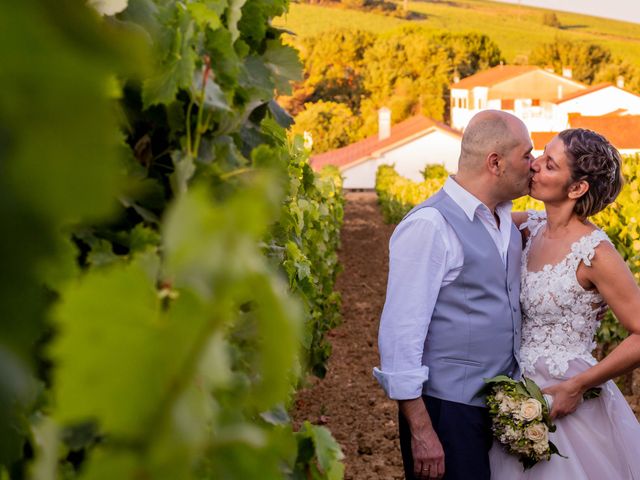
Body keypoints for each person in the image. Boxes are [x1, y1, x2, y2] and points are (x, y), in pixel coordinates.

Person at [373, 109, 534, 480]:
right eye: (526, 154)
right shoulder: (429, 225)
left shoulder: (505, 220)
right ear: (495, 162)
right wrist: (422, 430)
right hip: (448, 412)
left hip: (499, 408)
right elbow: (400, 335)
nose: (534, 164)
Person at [489, 128, 640, 478]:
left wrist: (579, 385)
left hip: (568, 395)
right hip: (515, 390)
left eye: (550, 165)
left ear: (576, 189)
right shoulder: (527, 226)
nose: (535, 166)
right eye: (541, 155)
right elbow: (477, 213)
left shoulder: (596, 253)